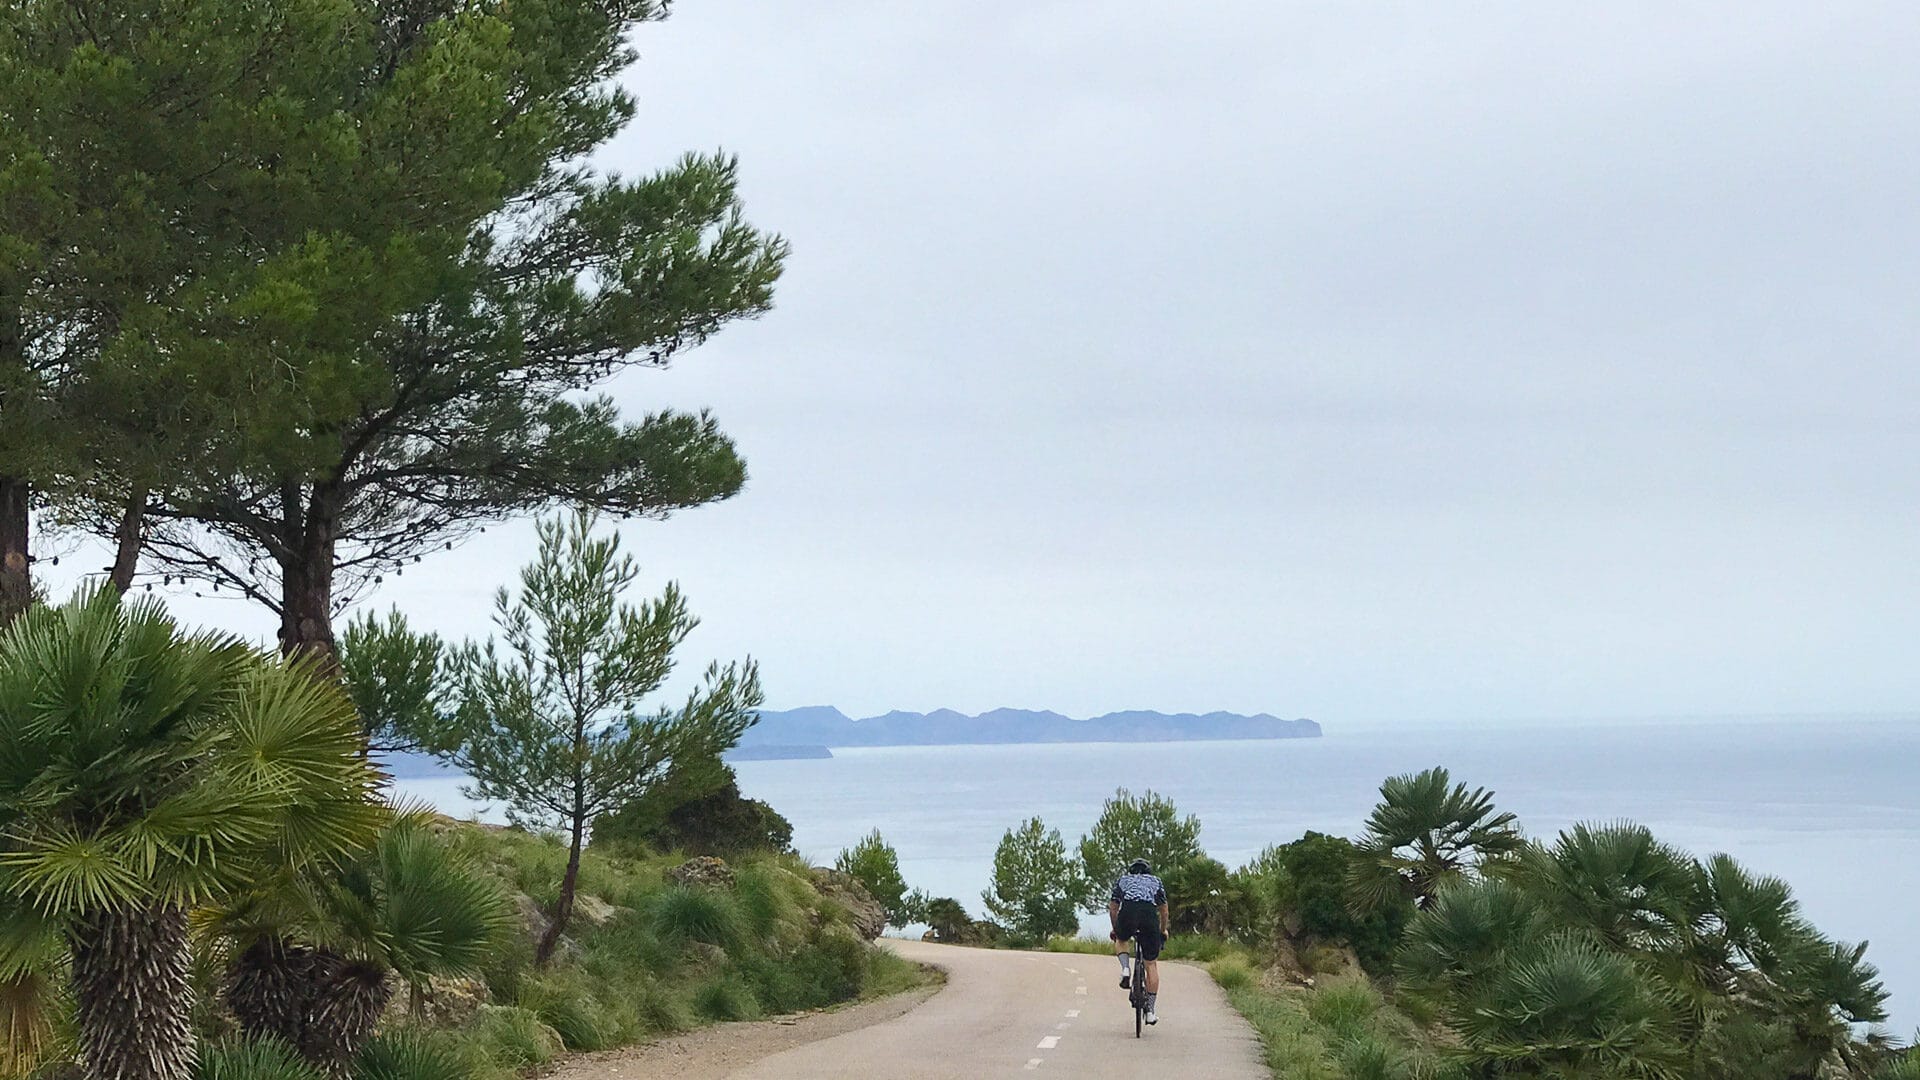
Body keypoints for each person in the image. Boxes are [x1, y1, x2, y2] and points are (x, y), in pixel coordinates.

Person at [1109, 857, 1169, 1025]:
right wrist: (1162, 930)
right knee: (1151, 964)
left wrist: (1116, 928)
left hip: (1128, 911)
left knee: (1121, 940)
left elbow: (1113, 908)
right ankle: (1150, 1011)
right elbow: (1164, 910)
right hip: (1149, 915)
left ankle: (1126, 969)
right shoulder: (1156, 881)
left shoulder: (1123, 880)